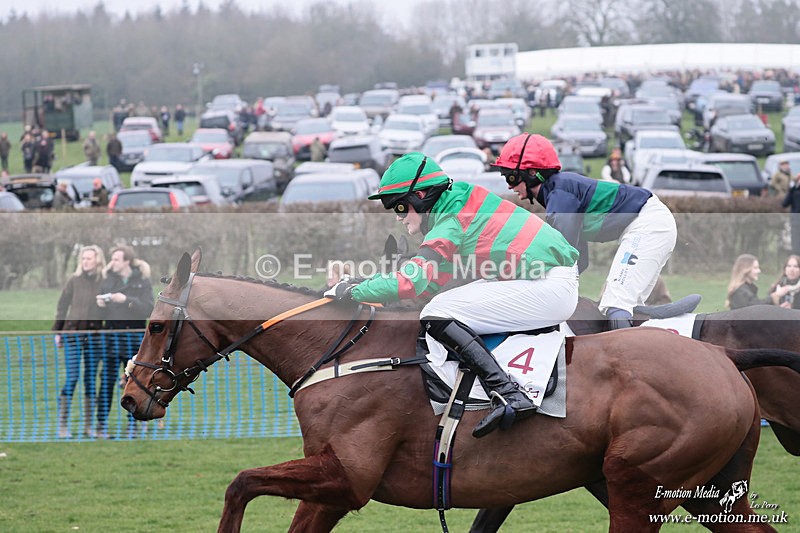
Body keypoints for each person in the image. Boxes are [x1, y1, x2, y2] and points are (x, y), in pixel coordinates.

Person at [324, 153, 580, 438]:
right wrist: (364, 287)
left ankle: (508, 392)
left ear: (420, 196)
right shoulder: (455, 205)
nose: (398, 217)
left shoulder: (451, 219)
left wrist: (353, 291)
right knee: (439, 305)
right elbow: (430, 284)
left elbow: (412, 282)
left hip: (548, 285)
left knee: (438, 312)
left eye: (399, 206)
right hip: (546, 281)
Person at [493, 133, 677, 329]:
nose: (509, 185)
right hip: (651, 222)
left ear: (532, 173)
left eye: (511, 176)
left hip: (647, 224)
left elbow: (561, 253)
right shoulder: (558, 192)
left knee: (615, 303)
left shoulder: (560, 194)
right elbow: (579, 259)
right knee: (620, 303)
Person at [95, 245, 154, 439]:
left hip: (135, 339)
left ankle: (134, 425)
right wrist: (101, 306)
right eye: (112, 259)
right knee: (106, 383)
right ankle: (101, 425)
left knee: (134, 382)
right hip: (111, 339)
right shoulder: (108, 281)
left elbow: (148, 308)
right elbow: (100, 315)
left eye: (117, 259)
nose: (112, 263)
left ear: (127, 261)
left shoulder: (142, 282)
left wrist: (127, 300)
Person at [53, 245, 106, 438]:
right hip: (72, 335)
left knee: (90, 380)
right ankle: (63, 425)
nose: (85, 262)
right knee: (72, 377)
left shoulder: (105, 281)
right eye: (83, 258)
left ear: (98, 260)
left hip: (95, 337)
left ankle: (88, 426)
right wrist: (57, 331)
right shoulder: (74, 280)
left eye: (89, 258)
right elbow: (62, 306)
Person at [782, 173, 800, 254]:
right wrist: (792, 189)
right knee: (796, 245)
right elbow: (784, 204)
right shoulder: (794, 191)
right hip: (796, 222)